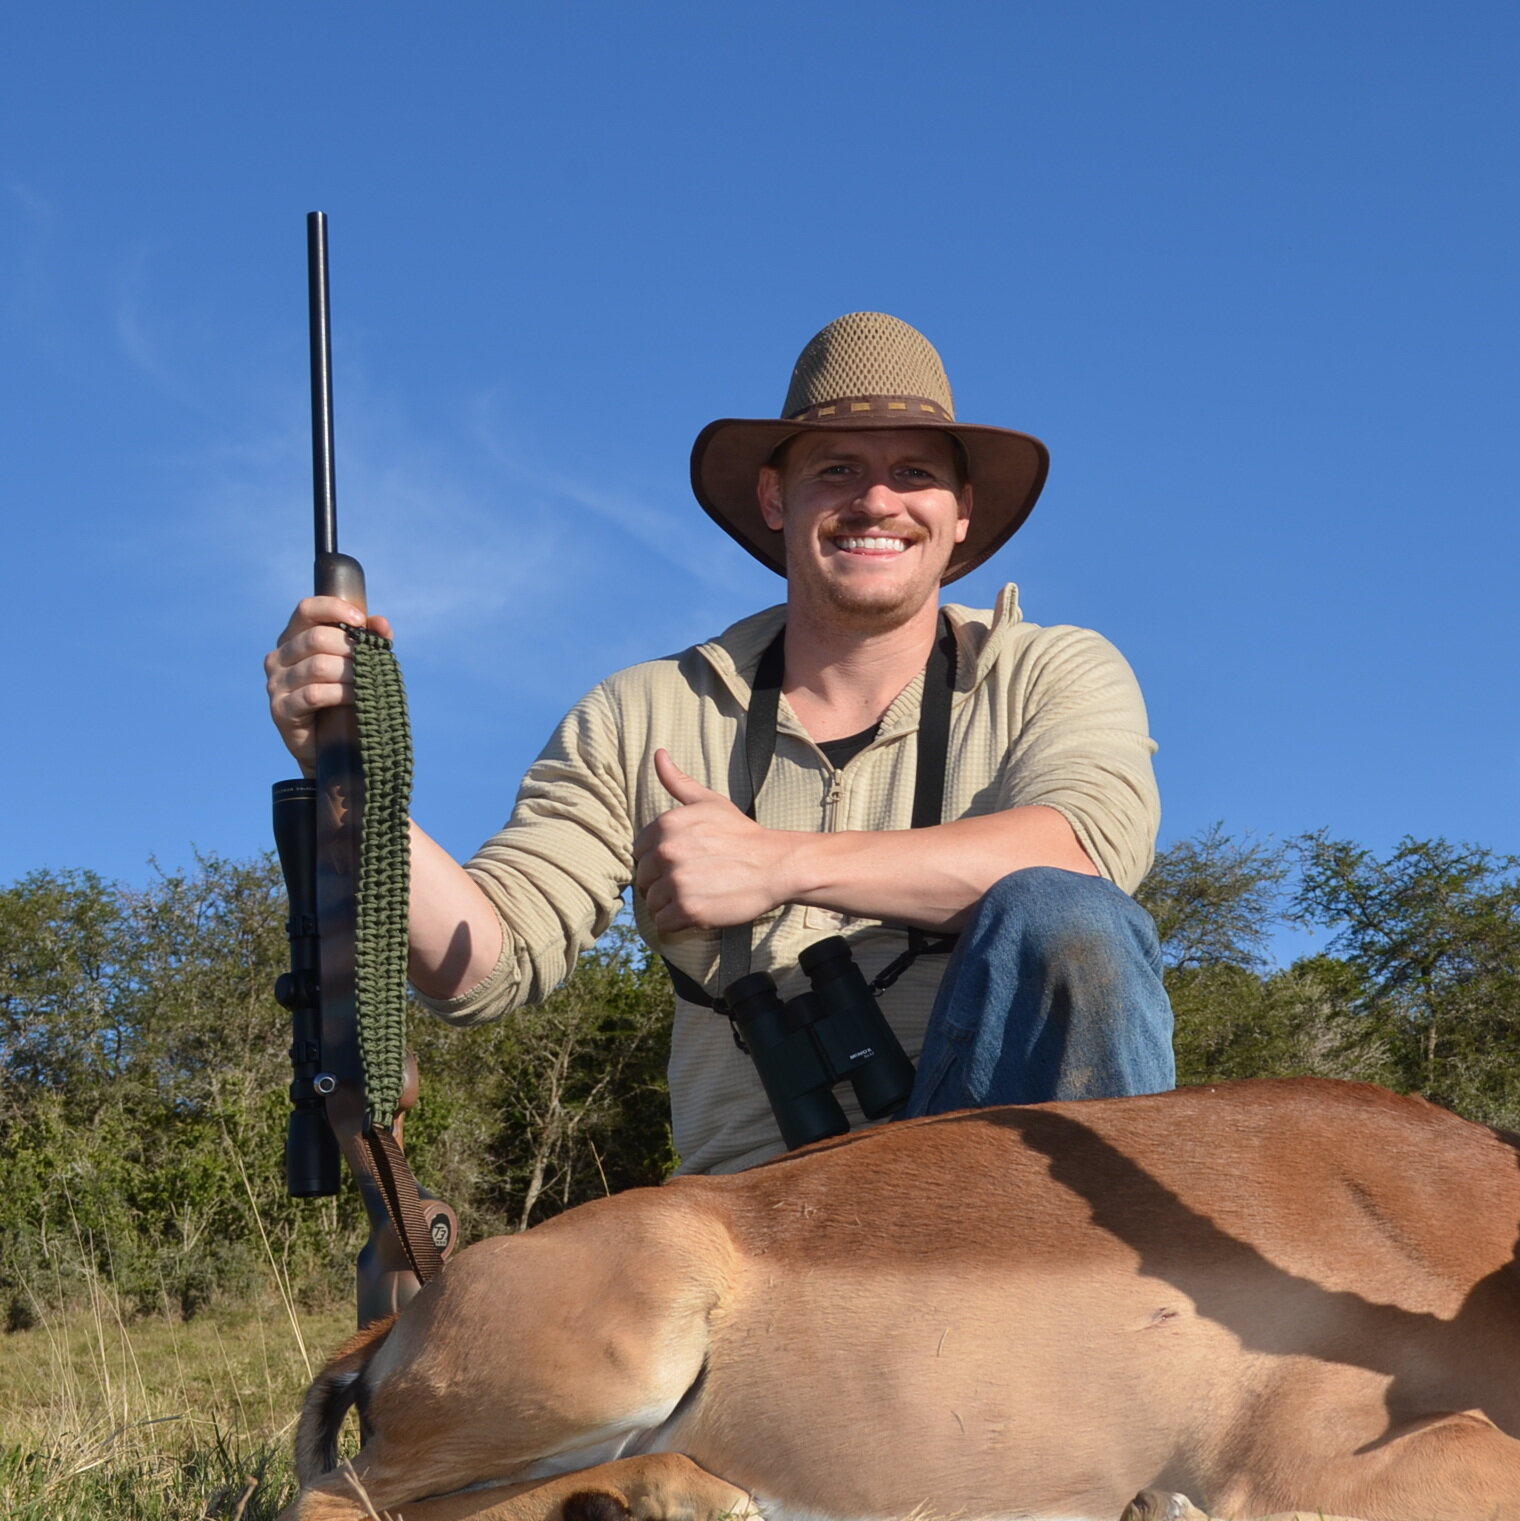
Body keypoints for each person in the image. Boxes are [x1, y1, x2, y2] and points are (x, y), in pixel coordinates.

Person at [264, 312, 1175, 1176]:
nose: (876, 501)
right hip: (753, 1214)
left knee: (1067, 917)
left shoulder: (1052, 670)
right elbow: (485, 965)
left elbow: (1081, 858)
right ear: (775, 497)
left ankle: (1109, 1307)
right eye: (837, 469)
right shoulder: (638, 711)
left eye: (914, 473)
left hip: (1013, 1200)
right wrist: (354, 772)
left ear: (962, 510)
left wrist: (779, 865)